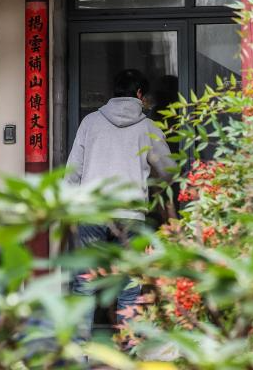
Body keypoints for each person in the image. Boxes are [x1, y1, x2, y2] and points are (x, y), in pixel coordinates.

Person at [66, 68, 174, 332]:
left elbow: (72, 172)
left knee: (84, 284)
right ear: (139, 94)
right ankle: (128, 346)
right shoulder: (148, 128)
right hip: (130, 216)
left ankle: (78, 349)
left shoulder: (90, 122)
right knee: (129, 287)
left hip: (92, 213)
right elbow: (169, 171)